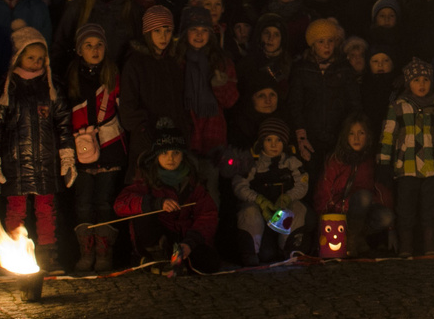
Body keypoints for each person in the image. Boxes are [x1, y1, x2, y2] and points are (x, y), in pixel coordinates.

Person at [0, 23, 76, 272]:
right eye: (30, 57)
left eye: (40, 57)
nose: (36, 62)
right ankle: (15, 258)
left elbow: (64, 123)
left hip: (46, 162)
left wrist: (67, 156)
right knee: (15, 210)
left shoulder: (51, 87)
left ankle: (48, 258)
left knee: (47, 210)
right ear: (18, 57)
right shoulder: (7, 88)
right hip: (15, 163)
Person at [114, 120, 221, 273]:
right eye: (164, 153)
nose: (170, 158)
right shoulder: (146, 181)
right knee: (141, 215)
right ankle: (157, 258)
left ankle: (178, 261)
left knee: (209, 263)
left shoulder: (193, 183)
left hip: (185, 239)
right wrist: (156, 203)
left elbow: (207, 215)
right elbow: (120, 204)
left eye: (175, 153)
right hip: (160, 237)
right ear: (156, 155)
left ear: (183, 155)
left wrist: (190, 243)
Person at [378, 57, 434, 257]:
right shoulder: (398, 107)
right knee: (406, 208)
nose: (421, 84)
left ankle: (430, 245)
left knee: (430, 208)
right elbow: (388, 137)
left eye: (425, 80)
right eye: (416, 80)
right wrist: (384, 163)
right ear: (408, 83)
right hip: (407, 167)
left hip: (431, 167)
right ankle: (406, 247)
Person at [67, 23, 126, 273]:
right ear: (79, 50)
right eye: (88, 45)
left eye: (99, 45)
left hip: (110, 147)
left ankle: (104, 253)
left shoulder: (113, 75)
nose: (94, 50)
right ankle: (86, 252)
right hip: (80, 150)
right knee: (83, 203)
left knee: (104, 202)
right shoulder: (70, 77)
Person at [119, 5, 188, 178]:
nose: (163, 36)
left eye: (167, 30)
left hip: (173, 141)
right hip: (146, 141)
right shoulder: (135, 64)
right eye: (157, 31)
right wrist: (145, 130)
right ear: (148, 33)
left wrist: (182, 128)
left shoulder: (174, 62)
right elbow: (128, 106)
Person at [289, 18, 360, 182]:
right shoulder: (302, 69)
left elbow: (354, 102)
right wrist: (300, 133)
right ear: (313, 44)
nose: (327, 46)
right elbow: (295, 103)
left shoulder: (343, 68)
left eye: (330, 41)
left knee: (335, 177)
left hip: (337, 134)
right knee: (311, 177)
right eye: (321, 42)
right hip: (310, 135)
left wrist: (350, 130)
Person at [232, 117, 308, 265]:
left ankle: (290, 249)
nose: (274, 145)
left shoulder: (291, 162)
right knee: (249, 212)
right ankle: (250, 252)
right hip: (262, 216)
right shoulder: (252, 162)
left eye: (278, 140)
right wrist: (258, 200)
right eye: (269, 140)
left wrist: (288, 197)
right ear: (261, 142)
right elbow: (239, 185)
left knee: (298, 207)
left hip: (283, 213)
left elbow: (302, 185)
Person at [314, 113, 393, 256]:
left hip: (361, 212)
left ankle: (356, 238)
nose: (356, 138)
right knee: (363, 197)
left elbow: (377, 190)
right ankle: (351, 241)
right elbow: (323, 192)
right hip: (338, 212)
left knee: (385, 216)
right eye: (351, 133)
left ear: (367, 136)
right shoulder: (336, 160)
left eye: (361, 133)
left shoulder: (369, 161)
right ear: (345, 136)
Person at [175, 5, 238, 155]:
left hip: (212, 134)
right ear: (185, 33)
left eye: (204, 30)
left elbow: (231, 101)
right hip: (183, 135)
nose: (199, 35)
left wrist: (219, 86)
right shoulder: (176, 62)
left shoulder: (221, 61)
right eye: (194, 30)